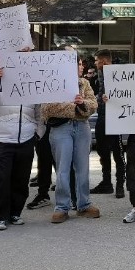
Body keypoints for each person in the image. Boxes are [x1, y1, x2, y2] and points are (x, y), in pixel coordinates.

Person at [0, 52, 46, 231]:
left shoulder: (33, 84)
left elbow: (39, 112)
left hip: (27, 138)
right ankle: (0, 217)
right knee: (1, 179)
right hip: (2, 138)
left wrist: (38, 132)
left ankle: (15, 213)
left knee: (21, 179)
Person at [42, 57, 100, 223]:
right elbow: (47, 109)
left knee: (83, 168)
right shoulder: (52, 82)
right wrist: (76, 107)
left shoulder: (84, 83)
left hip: (82, 127)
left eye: (82, 64)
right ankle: (62, 207)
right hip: (61, 128)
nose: (81, 67)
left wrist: (82, 104)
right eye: (78, 64)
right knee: (63, 169)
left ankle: (83, 204)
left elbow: (93, 104)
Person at [92, 49, 126, 198]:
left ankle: (119, 185)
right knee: (102, 151)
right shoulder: (100, 75)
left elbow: (126, 95)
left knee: (118, 153)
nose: (95, 63)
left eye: (96, 60)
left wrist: (112, 100)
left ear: (103, 61)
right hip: (102, 116)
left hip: (115, 117)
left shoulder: (118, 74)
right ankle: (106, 183)